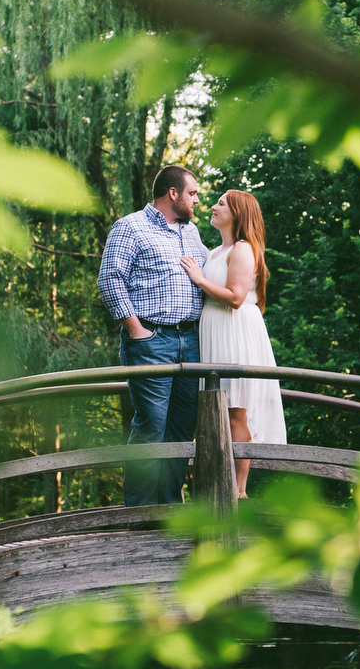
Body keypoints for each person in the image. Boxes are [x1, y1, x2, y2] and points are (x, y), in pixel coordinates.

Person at [97, 164, 210, 505]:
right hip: (151, 341)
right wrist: (137, 331)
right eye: (192, 193)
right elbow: (110, 280)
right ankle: (140, 515)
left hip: (191, 342)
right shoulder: (130, 227)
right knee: (151, 427)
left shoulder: (192, 233)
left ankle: (170, 510)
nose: (197, 201)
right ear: (172, 193)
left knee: (179, 429)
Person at [180, 188, 286, 496]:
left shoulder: (242, 249)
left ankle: (238, 490)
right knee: (220, 409)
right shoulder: (214, 252)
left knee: (236, 408)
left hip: (235, 329)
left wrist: (200, 280)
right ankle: (219, 483)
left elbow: (237, 298)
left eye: (220, 203)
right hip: (215, 330)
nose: (212, 206)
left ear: (237, 213)